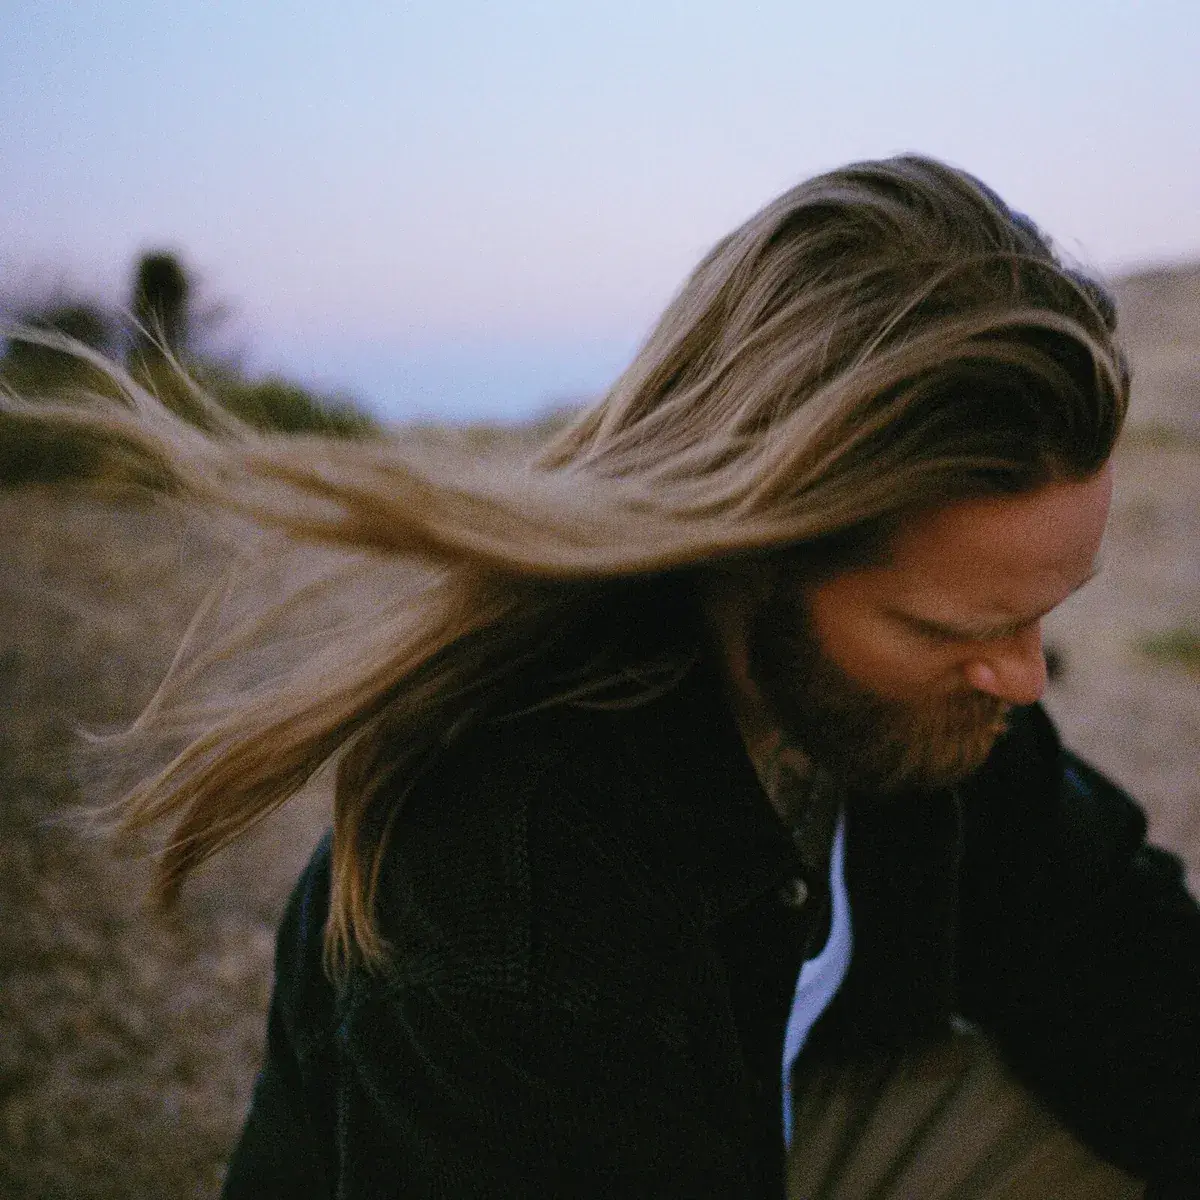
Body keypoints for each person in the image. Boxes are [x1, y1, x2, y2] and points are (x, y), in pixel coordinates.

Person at [29, 156, 1199, 1196]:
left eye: (1043, 615)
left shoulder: (919, 709)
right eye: (950, 629)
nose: (1020, 677)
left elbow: (1120, 953)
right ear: (752, 555)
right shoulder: (518, 894)